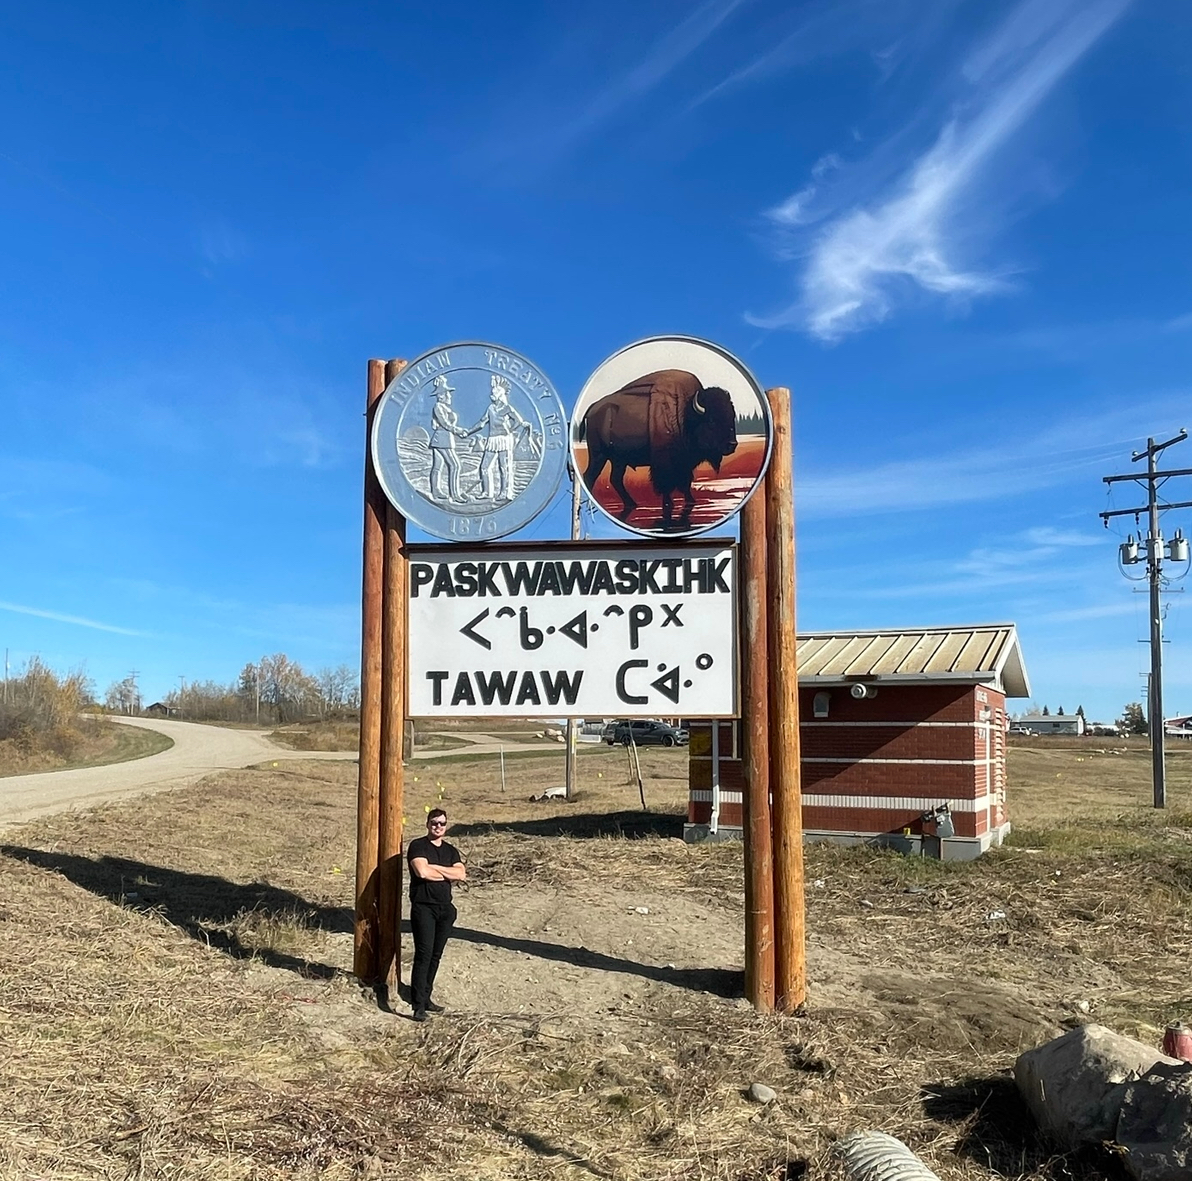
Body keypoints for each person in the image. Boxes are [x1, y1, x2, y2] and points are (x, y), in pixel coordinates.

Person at [406, 808, 466, 1021]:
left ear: (446, 825)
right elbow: (421, 872)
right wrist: (445, 872)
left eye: (441, 823)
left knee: (436, 955)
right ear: (427, 823)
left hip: (445, 909)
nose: (438, 826)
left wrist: (435, 869)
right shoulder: (418, 845)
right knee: (424, 953)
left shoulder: (451, 850)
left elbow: (461, 874)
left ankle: (427, 997)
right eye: (434, 822)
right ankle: (418, 1005)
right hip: (424, 907)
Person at [463, 374, 532, 502]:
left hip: (504, 440)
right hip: (492, 440)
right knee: (484, 466)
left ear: (501, 393)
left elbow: (518, 420)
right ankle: (487, 492)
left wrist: (510, 430)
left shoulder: (507, 408)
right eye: (492, 391)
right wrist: (468, 432)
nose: (492, 393)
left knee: (504, 467)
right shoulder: (491, 408)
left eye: (495, 391)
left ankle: (505, 493)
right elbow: (482, 422)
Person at [427, 375, 465, 502]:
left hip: (445, 438)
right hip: (442, 439)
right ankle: (454, 494)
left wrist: (457, 431)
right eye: (448, 394)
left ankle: (436, 491)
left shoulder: (445, 408)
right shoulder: (438, 407)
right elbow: (444, 423)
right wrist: (458, 430)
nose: (450, 396)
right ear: (442, 395)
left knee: (438, 466)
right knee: (454, 465)